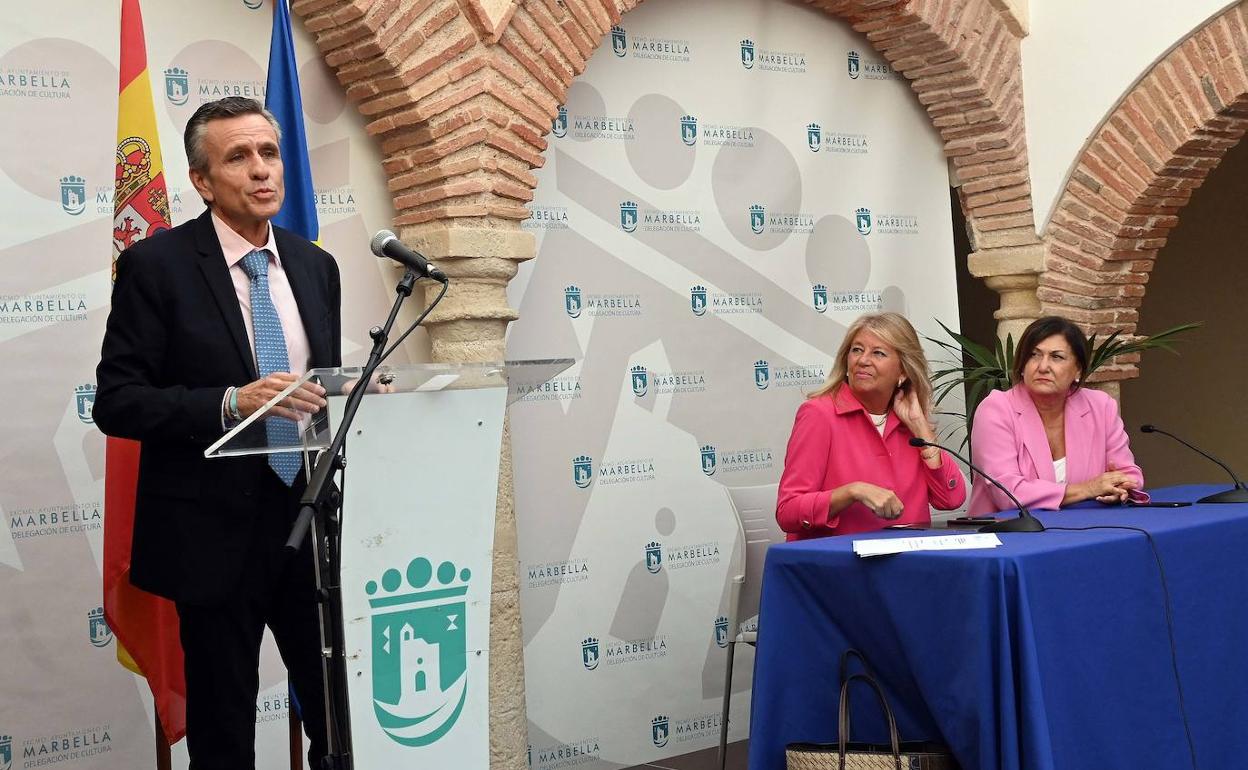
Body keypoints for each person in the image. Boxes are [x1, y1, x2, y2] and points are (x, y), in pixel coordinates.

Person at [94, 97, 340, 770]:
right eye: (238, 157)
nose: (261, 170)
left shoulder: (316, 266)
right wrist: (229, 402)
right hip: (212, 534)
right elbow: (117, 402)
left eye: (269, 152)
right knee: (225, 730)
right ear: (202, 180)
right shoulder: (158, 267)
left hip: (309, 524)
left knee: (337, 715)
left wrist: (351, 391)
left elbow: (315, 388)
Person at [776, 312, 966, 539]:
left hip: (907, 563)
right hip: (839, 565)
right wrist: (852, 492)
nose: (863, 360)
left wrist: (921, 427)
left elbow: (951, 499)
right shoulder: (819, 414)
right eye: (857, 350)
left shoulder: (910, 425)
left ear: (903, 371)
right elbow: (788, 511)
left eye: (878, 353)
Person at [967, 316, 1146, 517]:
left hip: (1088, 528)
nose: (1043, 366)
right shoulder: (996, 409)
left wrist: (1119, 488)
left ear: (1078, 369)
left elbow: (1129, 473)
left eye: (1056, 357)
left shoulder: (1100, 407)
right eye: (1034, 355)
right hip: (1010, 536)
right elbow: (1007, 493)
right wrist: (1088, 489)